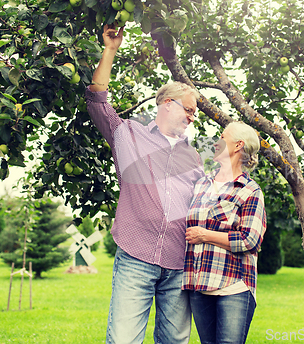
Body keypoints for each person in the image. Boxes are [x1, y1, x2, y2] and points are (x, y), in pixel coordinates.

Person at [86, 24, 204, 344]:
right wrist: (110, 49)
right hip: (136, 258)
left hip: (179, 265)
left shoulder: (194, 159)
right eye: (189, 110)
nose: (193, 117)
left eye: (195, 113)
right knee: (123, 339)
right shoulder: (128, 135)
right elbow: (97, 101)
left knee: (175, 342)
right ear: (167, 103)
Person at [182, 121, 267, 344]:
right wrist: (228, 236)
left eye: (222, 136)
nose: (215, 142)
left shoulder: (250, 191)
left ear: (238, 145)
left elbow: (250, 240)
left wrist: (206, 235)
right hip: (200, 285)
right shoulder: (201, 184)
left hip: (234, 286)